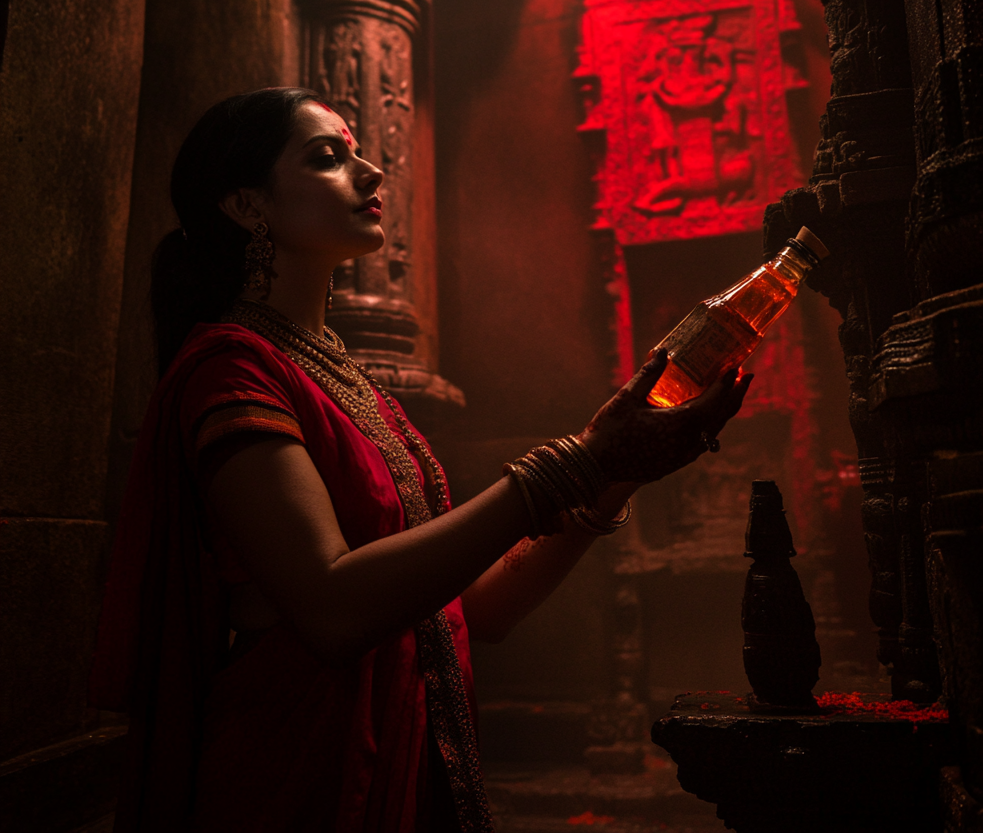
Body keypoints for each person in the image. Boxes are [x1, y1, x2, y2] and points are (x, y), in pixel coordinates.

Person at [90, 88, 753, 833]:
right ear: (248, 207)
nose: (371, 173)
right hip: (302, 771)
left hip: (407, 758)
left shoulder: (348, 382)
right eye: (328, 158)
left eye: (358, 153)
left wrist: (615, 471)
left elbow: (473, 612)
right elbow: (335, 610)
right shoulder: (230, 371)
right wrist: (574, 461)